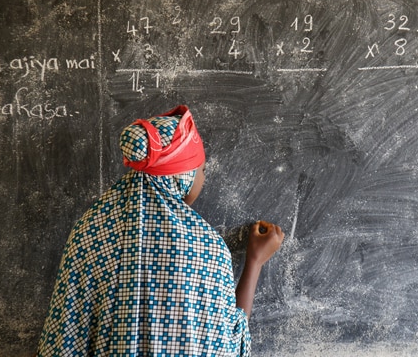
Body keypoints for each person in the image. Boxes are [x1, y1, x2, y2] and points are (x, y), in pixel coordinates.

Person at [36, 105, 284, 356]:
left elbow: (61, 343)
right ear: (182, 176)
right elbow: (231, 342)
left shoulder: (89, 233)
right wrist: (254, 262)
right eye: (201, 170)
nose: (203, 179)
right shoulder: (207, 248)